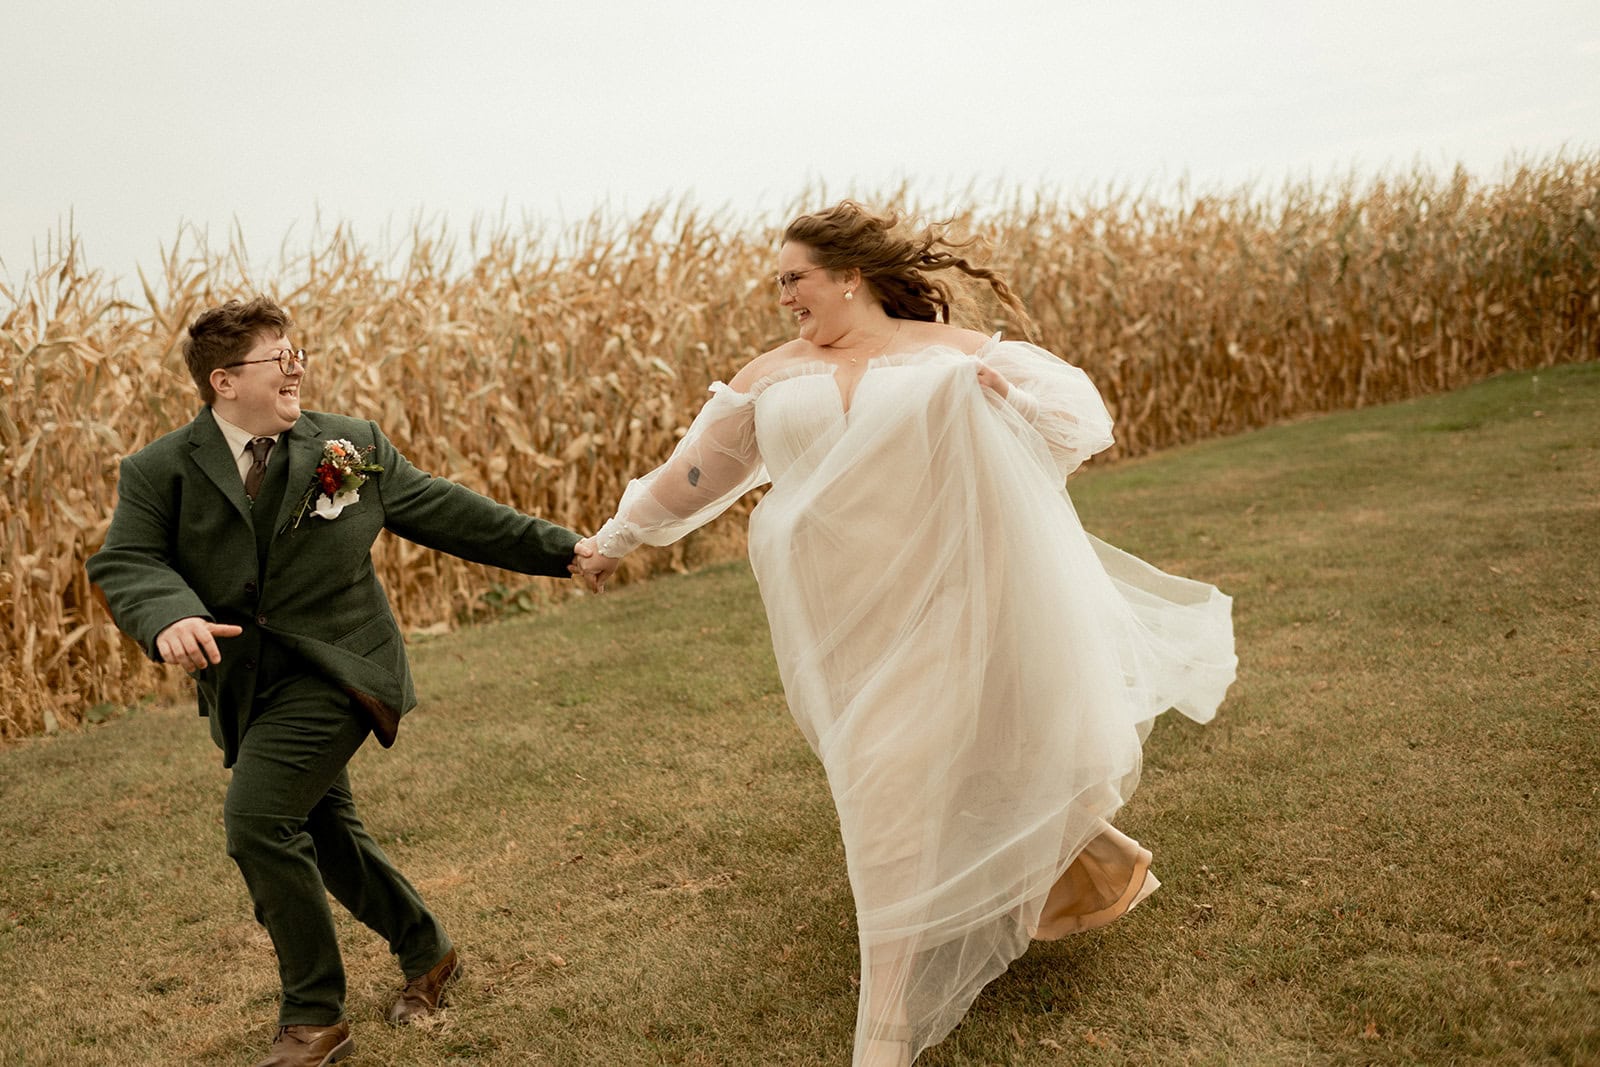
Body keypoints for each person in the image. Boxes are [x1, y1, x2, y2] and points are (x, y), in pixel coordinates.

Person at [572, 201, 1237, 1065]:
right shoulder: (771, 376)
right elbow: (696, 471)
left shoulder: (953, 355)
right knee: (921, 769)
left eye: (793, 279)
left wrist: (1012, 397)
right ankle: (1092, 864)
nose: (782, 298)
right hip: (845, 623)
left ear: (850, 276)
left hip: (957, 601)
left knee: (889, 797)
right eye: (779, 283)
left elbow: (1079, 417)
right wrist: (615, 539)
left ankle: (884, 1028)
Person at [87, 296, 592, 1067]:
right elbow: (128, 560)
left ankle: (313, 1016)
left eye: (299, 354)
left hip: (344, 668)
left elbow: (448, 511)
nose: (297, 369)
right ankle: (429, 949)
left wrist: (565, 550)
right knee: (324, 834)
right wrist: (166, 618)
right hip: (249, 689)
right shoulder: (160, 470)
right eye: (276, 358)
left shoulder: (348, 446)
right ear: (223, 381)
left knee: (257, 820)